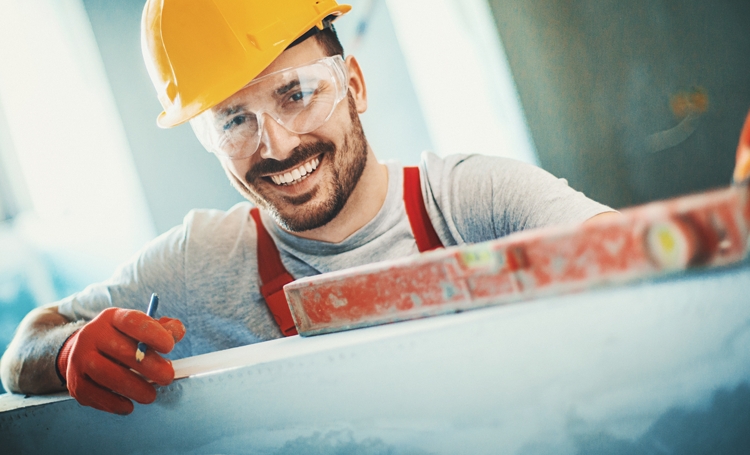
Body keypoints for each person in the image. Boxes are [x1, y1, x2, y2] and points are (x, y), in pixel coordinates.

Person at [0, 0, 616, 415]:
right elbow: (23, 349)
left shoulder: (475, 204)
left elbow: (641, 251)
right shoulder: (198, 262)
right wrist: (62, 350)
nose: (277, 145)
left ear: (354, 86)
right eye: (235, 120)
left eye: (296, 94)